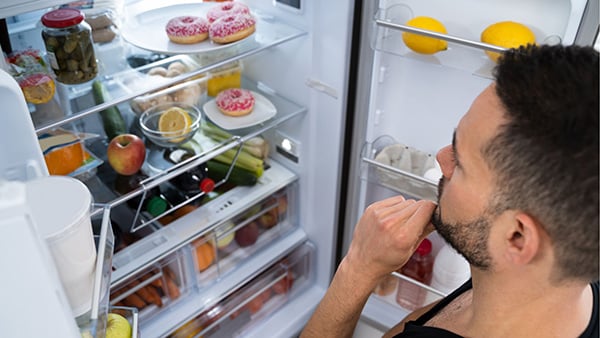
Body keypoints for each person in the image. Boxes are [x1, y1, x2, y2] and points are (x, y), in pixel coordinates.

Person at [300, 44, 599, 338]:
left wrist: (358, 268)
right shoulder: (558, 289)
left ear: (517, 237)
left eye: (461, 162)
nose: (442, 158)